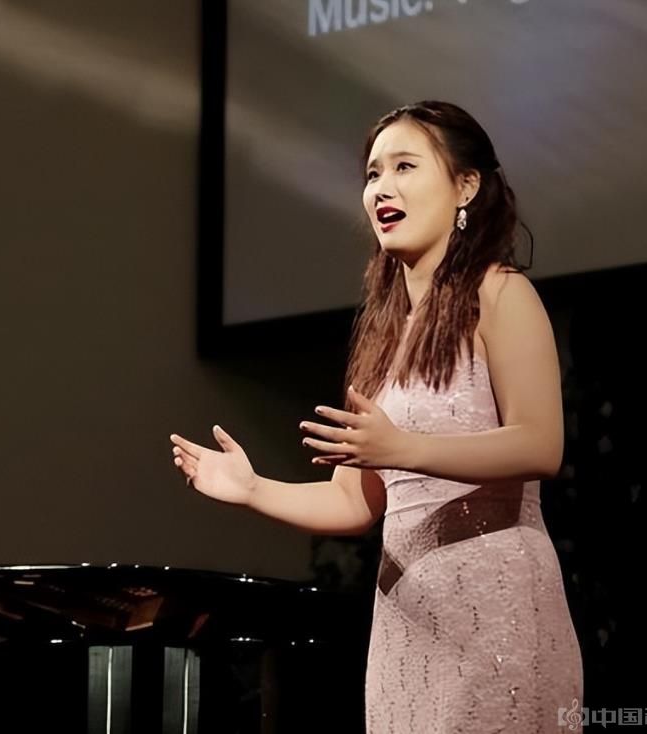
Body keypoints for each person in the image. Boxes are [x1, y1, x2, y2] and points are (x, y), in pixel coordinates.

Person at [169, 100, 583, 732]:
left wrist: (405, 448)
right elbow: (353, 503)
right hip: (406, 623)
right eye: (372, 174)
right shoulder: (382, 339)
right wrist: (252, 489)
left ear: (466, 186)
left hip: (496, 612)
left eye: (404, 167)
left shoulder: (502, 293)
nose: (381, 188)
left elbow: (540, 444)